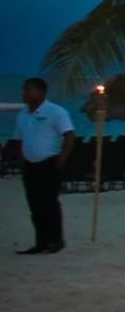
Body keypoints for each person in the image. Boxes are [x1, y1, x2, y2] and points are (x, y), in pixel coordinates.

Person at [15, 77, 76, 254]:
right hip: (30, 165)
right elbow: (19, 139)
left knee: (49, 202)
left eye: (29, 90)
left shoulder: (55, 112)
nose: (25, 94)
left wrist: (62, 158)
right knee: (34, 205)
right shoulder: (23, 114)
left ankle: (56, 240)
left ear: (41, 92)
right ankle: (41, 241)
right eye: (24, 90)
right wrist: (22, 159)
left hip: (49, 163)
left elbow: (69, 135)